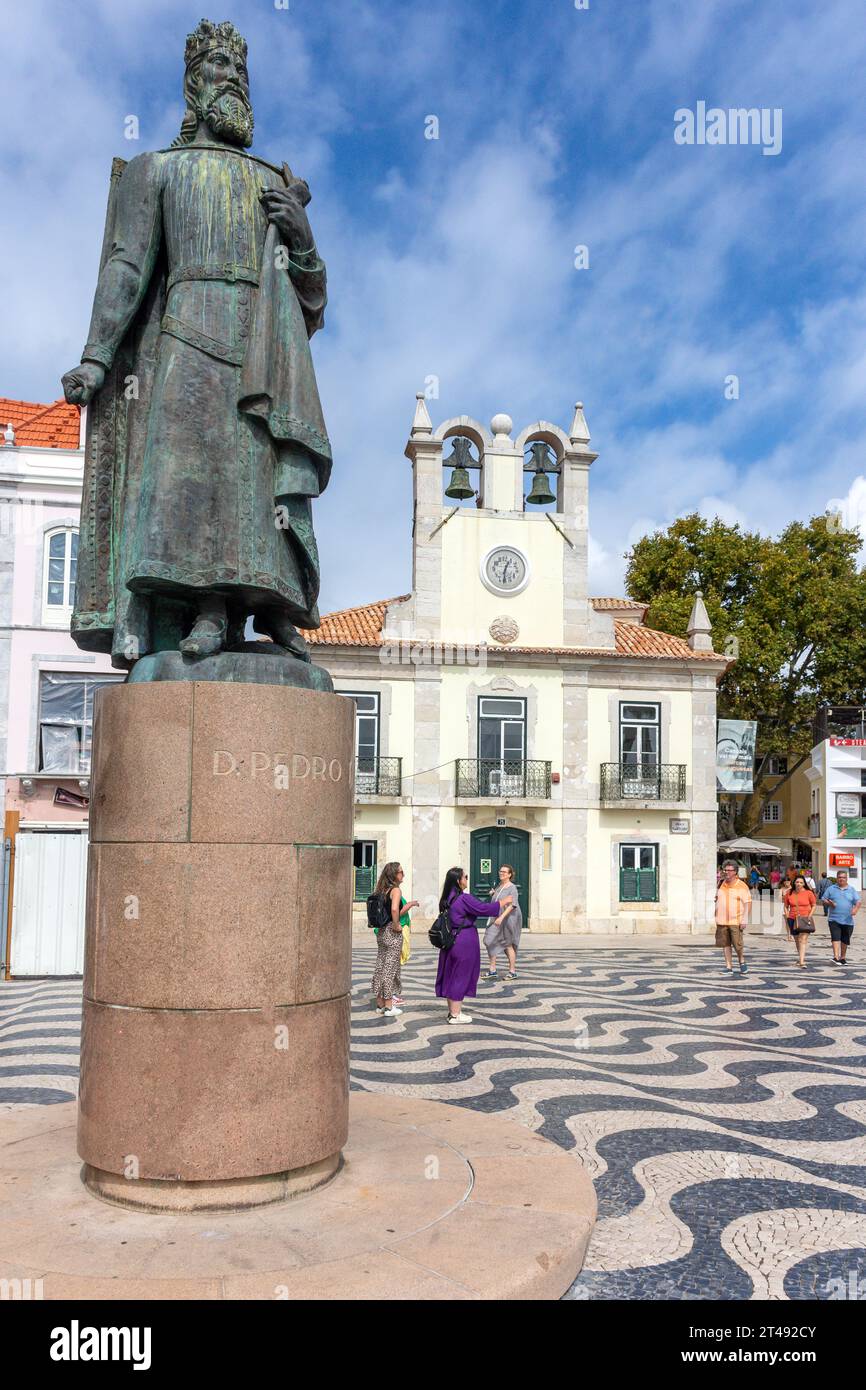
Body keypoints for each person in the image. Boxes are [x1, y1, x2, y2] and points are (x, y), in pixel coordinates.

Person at [435, 866, 511, 1024]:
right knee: (461, 976)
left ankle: (452, 1012)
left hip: (450, 940)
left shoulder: (446, 899)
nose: (467, 879)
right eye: (465, 877)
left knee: (452, 975)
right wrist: (503, 901)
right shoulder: (464, 898)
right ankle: (455, 1015)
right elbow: (483, 908)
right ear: (458, 880)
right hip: (464, 940)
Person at [371, 863, 418, 1016]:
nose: (403, 874)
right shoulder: (395, 890)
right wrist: (397, 925)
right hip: (391, 931)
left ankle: (379, 1005)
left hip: (382, 932)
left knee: (380, 966)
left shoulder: (381, 889)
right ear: (394, 875)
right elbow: (394, 910)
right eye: (401, 872)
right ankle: (389, 1006)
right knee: (390, 968)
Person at [482, 865, 523, 980]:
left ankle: (512, 971)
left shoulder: (512, 887)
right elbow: (499, 899)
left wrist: (501, 917)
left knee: (507, 944)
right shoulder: (500, 886)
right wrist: (493, 893)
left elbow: (513, 905)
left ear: (510, 874)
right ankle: (492, 969)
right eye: (501, 871)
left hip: (509, 918)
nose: (502, 873)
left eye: (505, 872)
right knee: (489, 940)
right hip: (496, 917)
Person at [715, 859, 752, 975]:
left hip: (736, 919)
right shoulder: (721, 883)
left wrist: (745, 919)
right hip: (722, 919)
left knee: (737, 944)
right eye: (725, 870)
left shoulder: (742, 885)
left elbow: (748, 903)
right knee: (725, 943)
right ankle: (728, 967)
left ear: (735, 872)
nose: (726, 872)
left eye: (729, 870)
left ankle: (742, 961)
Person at [820, 868, 861, 965]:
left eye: (843, 877)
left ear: (847, 879)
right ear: (837, 878)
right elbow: (824, 899)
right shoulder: (831, 889)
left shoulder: (851, 889)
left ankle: (843, 958)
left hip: (848, 920)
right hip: (834, 919)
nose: (841, 879)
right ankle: (836, 957)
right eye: (839, 877)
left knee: (844, 940)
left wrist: (855, 909)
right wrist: (830, 903)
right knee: (835, 938)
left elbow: (858, 901)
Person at [783, 874, 817, 968]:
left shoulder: (809, 893)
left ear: (804, 884)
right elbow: (786, 906)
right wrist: (787, 915)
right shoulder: (789, 893)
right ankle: (800, 959)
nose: (799, 884)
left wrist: (810, 916)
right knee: (797, 940)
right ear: (794, 883)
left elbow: (814, 905)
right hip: (792, 918)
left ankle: (802, 962)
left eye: (801, 882)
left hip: (805, 919)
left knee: (803, 939)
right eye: (797, 882)